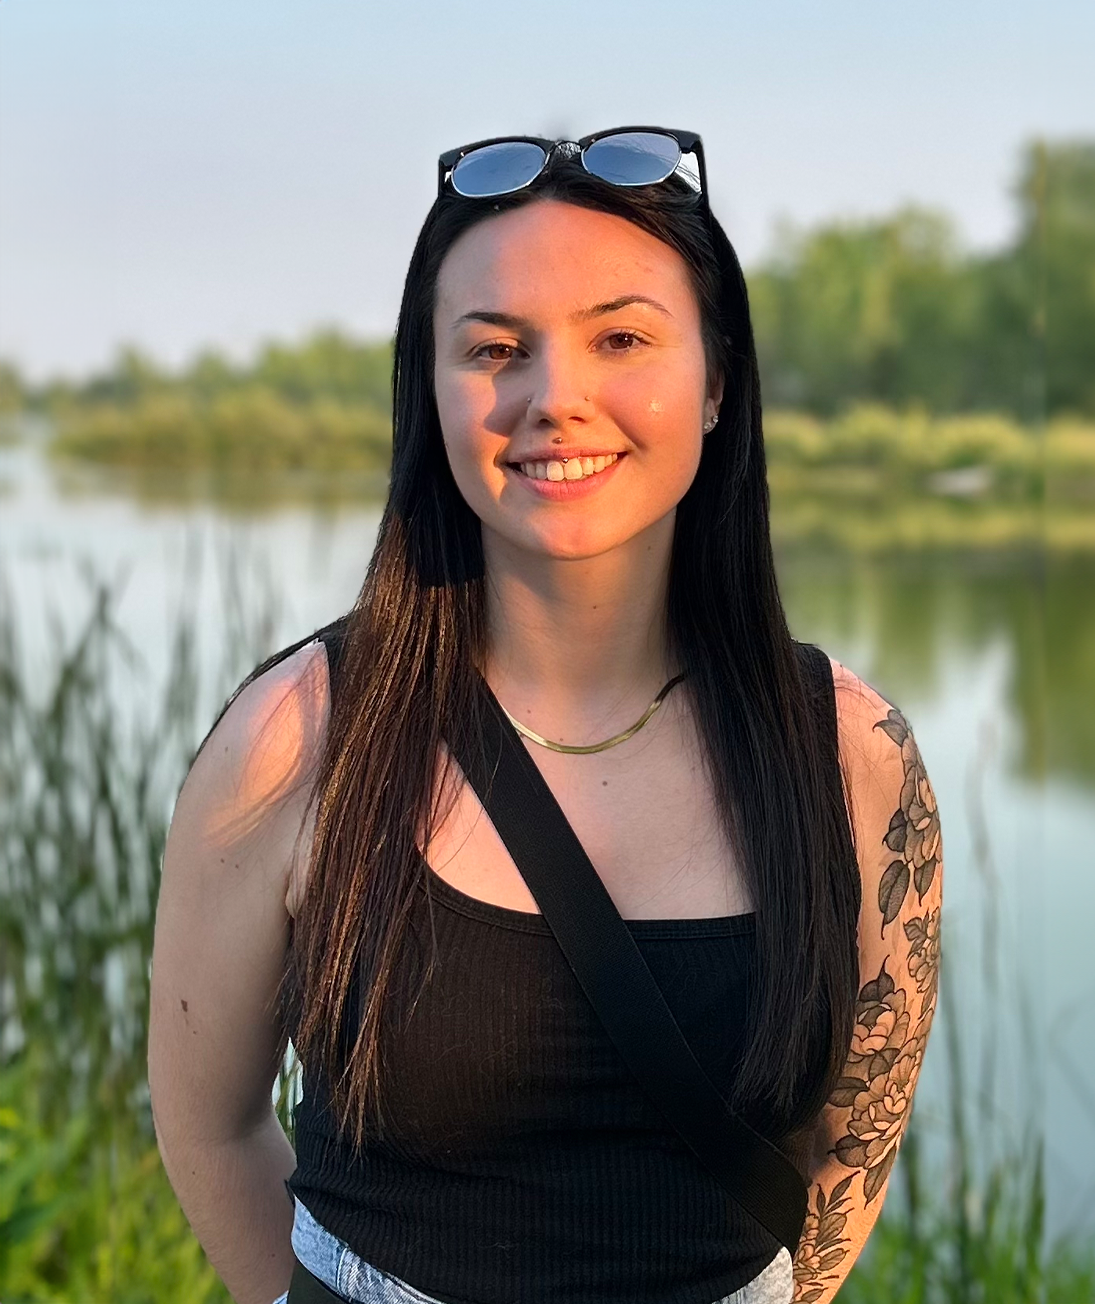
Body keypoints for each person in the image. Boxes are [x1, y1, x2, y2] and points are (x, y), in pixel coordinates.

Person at [147, 127, 944, 1304]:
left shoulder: (851, 754)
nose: (555, 398)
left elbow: (850, 1153)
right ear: (429, 389)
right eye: (494, 349)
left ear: (717, 379)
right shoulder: (298, 741)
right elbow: (211, 1130)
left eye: (621, 337)